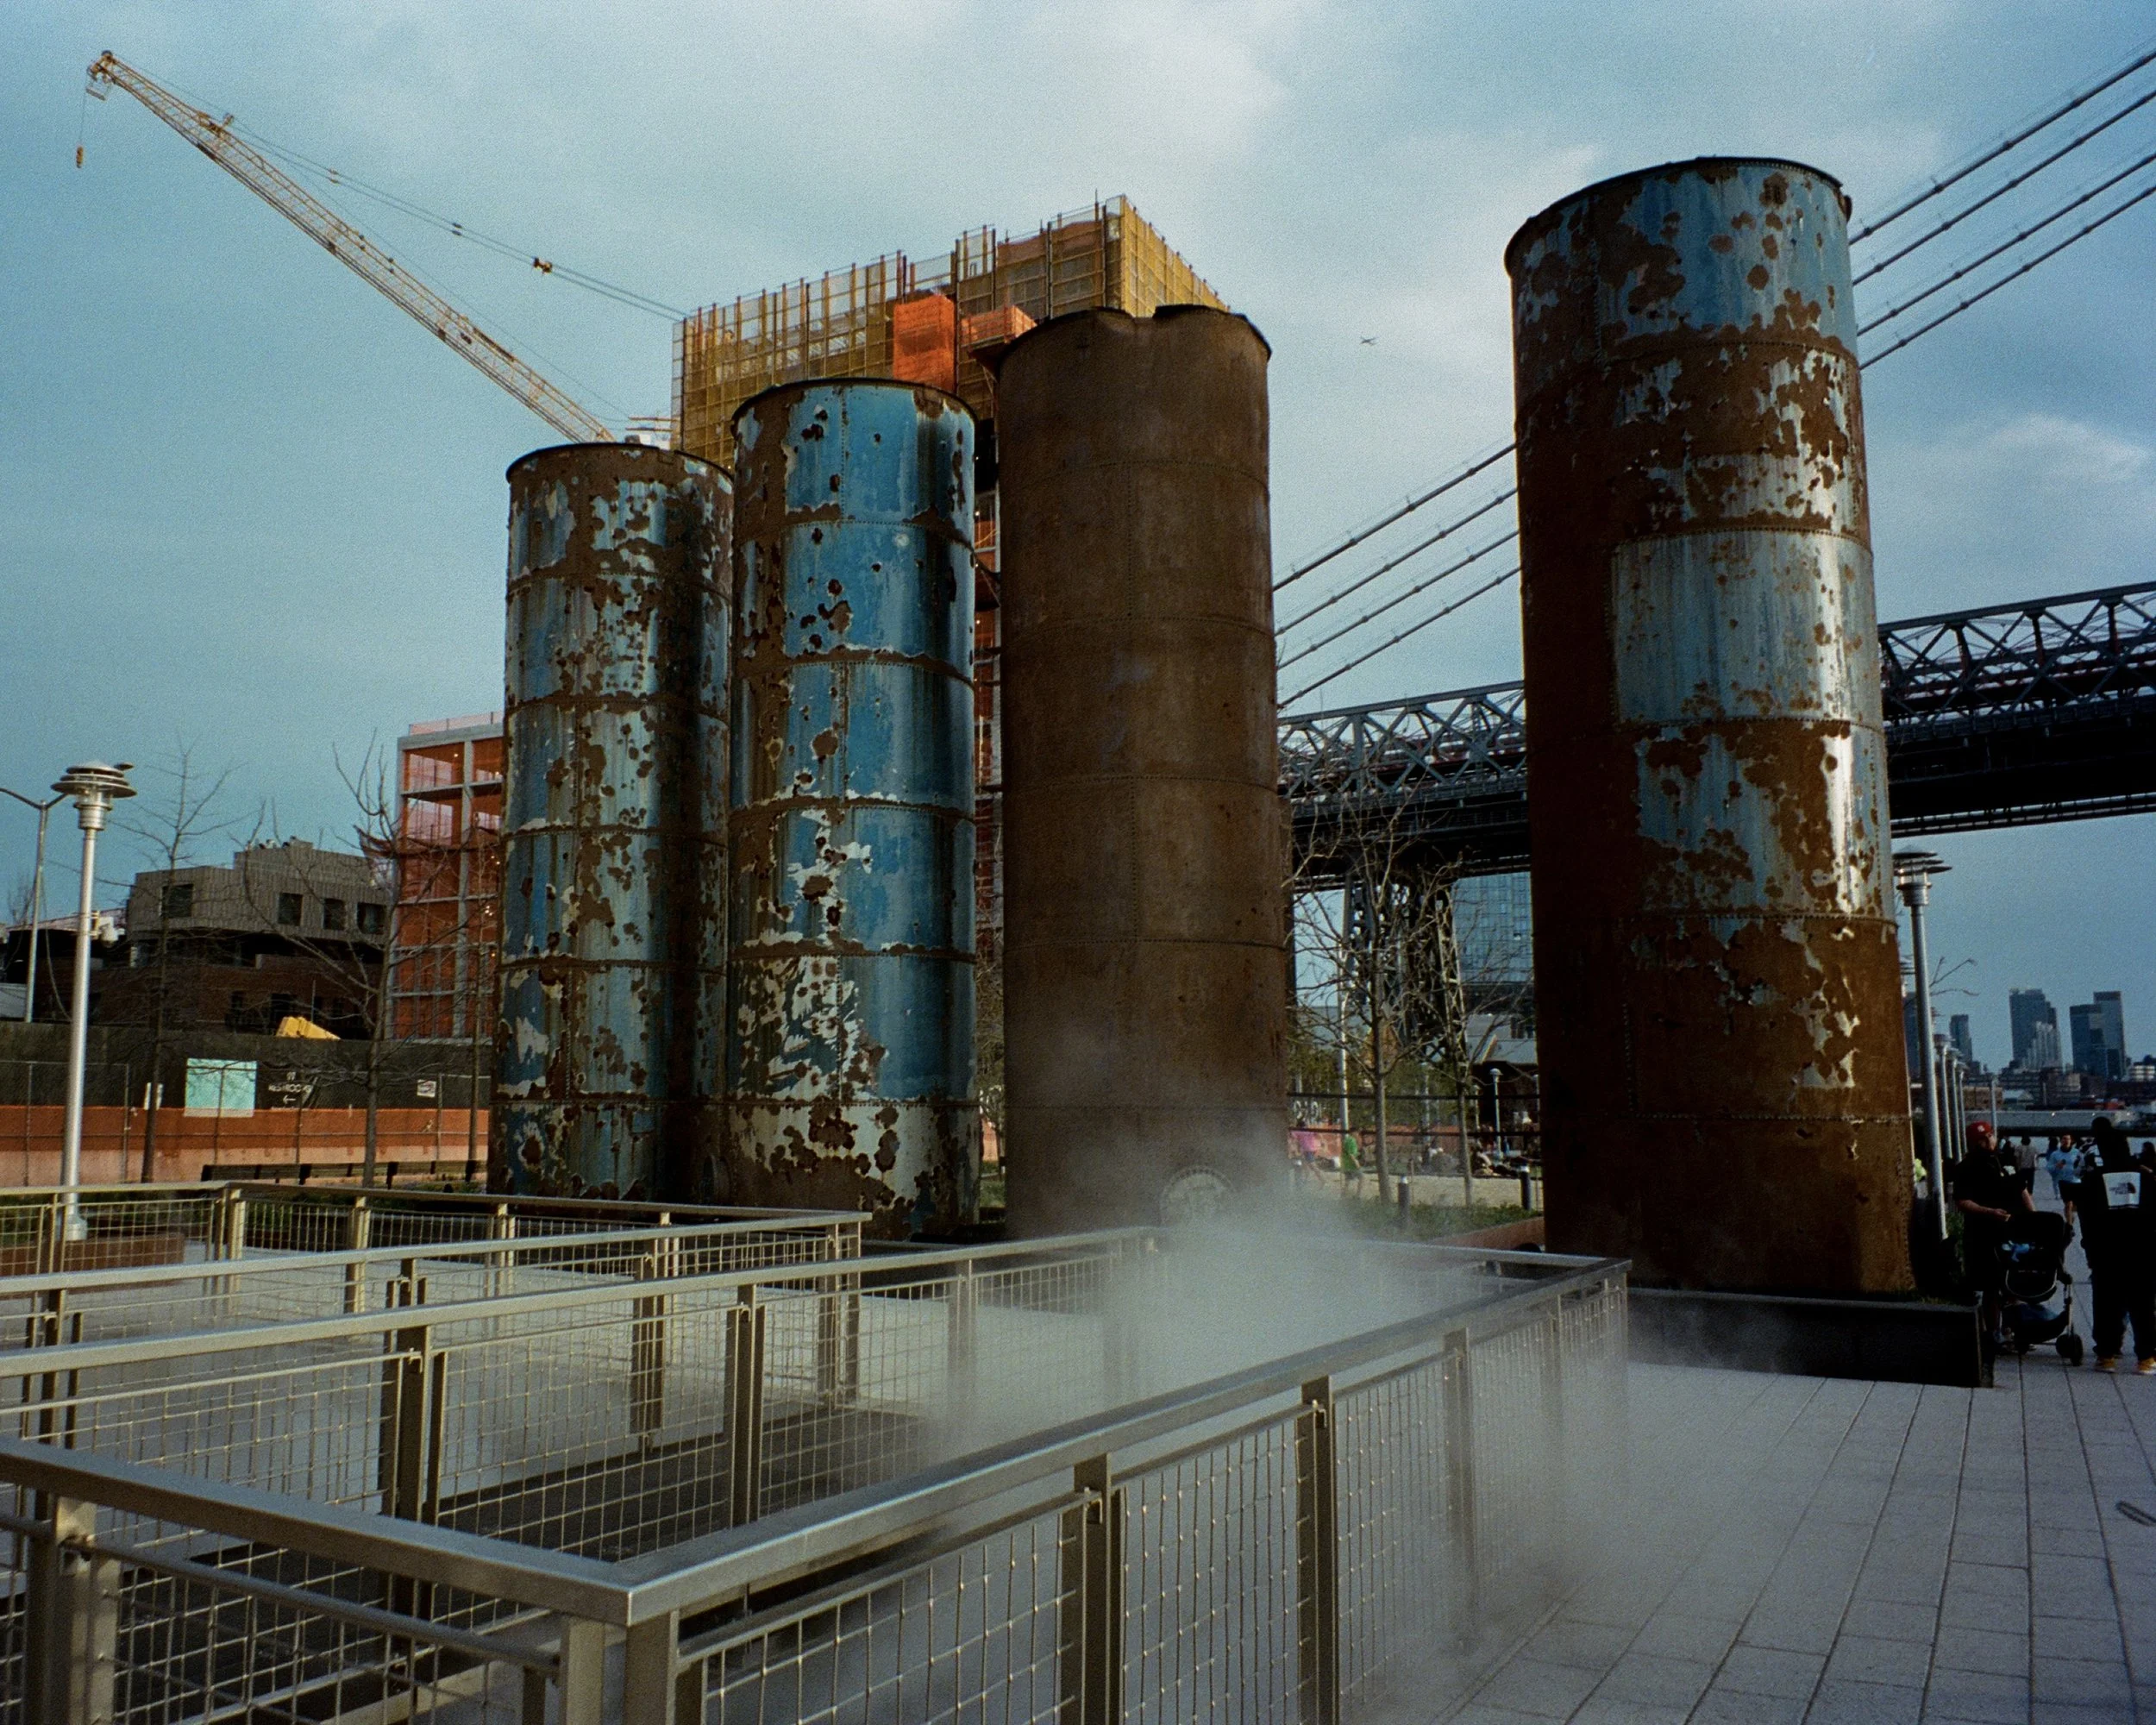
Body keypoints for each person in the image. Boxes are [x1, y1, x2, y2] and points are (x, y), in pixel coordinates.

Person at [2080, 1117, 2156, 1372]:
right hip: (2142, 1252)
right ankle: (2146, 1358)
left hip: (2107, 1253)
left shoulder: (2094, 1180)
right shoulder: (2145, 1179)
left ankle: (2107, 1355)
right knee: (2143, 1306)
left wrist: (2090, 1251)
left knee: (2107, 1305)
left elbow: (2087, 1221)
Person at [1952, 1133, 2034, 1347]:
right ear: (1973, 1143)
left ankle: (2015, 1329)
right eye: (1982, 1139)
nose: (1989, 1142)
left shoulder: (2004, 1160)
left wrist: (2034, 1219)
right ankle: (1993, 1332)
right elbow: (1962, 1201)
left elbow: (2022, 1188)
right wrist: (1989, 1212)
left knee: (2014, 1282)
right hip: (1983, 1232)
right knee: (1990, 1285)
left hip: (2013, 1230)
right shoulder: (1966, 1168)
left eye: (1990, 1136)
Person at [2042, 1134, 2086, 1229]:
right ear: (2061, 1141)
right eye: (2064, 1139)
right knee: (2068, 1204)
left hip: (2076, 1181)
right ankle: (2069, 1227)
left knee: (2075, 1207)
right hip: (2063, 1182)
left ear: (2071, 1141)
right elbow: (2048, 1168)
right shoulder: (2055, 1154)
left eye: (2068, 1139)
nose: (2066, 1141)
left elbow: (2084, 1164)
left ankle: (2071, 1218)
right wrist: (2056, 1166)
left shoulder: (2077, 1152)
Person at [1339, 1130, 1362, 1196]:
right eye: (1357, 1132)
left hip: (1345, 1164)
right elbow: (1351, 1154)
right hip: (1351, 1164)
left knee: (1347, 1180)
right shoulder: (1352, 1141)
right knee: (1362, 1178)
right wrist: (1357, 1164)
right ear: (1353, 1132)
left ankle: (1343, 1194)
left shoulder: (1346, 1140)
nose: (1358, 1134)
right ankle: (1358, 1195)